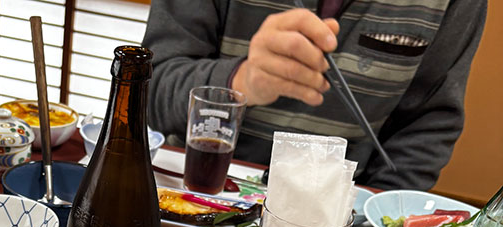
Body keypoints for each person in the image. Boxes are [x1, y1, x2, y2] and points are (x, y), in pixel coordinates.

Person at [142, 1, 487, 190]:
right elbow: (149, 90)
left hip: (343, 218)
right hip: (198, 190)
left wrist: (374, 210)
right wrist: (240, 81)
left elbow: (427, 124)